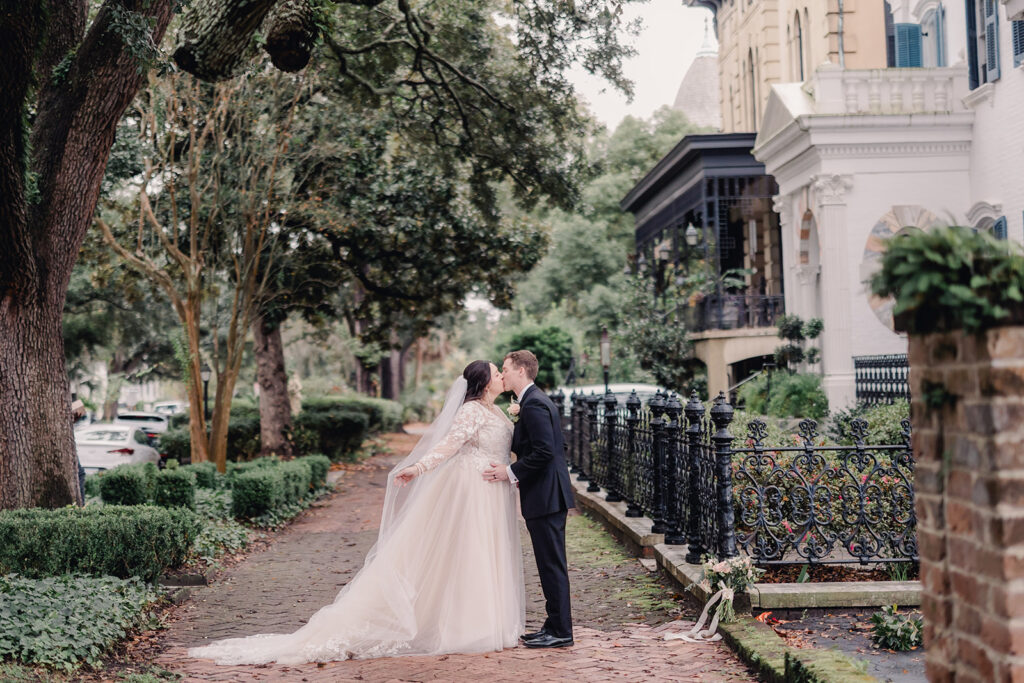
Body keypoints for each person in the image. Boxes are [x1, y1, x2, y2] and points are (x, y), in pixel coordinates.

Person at [188, 360, 524, 665]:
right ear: (483, 381)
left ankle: (486, 620)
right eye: (497, 372)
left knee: (485, 553)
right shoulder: (471, 411)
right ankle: (467, 626)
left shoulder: (496, 411)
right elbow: (448, 446)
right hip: (470, 489)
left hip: (492, 489)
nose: (501, 375)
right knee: (469, 554)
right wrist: (417, 467)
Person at [483, 350, 575, 648]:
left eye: (506, 369)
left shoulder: (534, 404)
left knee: (552, 565)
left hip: (546, 497)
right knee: (549, 563)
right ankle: (553, 624)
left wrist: (510, 471)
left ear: (521, 370)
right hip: (546, 495)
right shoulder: (533, 401)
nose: (503, 374)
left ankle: (561, 631)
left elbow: (545, 452)